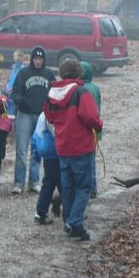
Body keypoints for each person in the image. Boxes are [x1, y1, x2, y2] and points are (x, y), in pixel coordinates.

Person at [44, 59, 103, 242]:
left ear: (62, 73)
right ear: (78, 74)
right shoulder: (81, 92)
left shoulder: (52, 93)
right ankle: (75, 222)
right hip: (80, 146)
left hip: (62, 147)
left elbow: (49, 116)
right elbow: (92, 118)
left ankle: (69, 222)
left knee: (68, 187)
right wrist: (99, 126)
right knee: (84, 187)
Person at [10, 46, 56, 194]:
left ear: (43, 60)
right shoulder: (23, 73)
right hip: (24, 114)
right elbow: (15, 92)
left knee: (37, 150)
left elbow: (55, 92)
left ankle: (34, 182)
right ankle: (19, 182)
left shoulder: (49, 74)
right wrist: (21, 101)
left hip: (42, 116)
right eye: (35, 59)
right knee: (21, 150)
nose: (37, 61)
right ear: (31, 59)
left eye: (40, 59)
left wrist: (51, 110)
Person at [31, 112, 62, 225]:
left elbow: (36, 135)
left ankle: (41, 213)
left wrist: (36, 153)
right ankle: (72, 215)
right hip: (57, 153)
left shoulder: (42, 115)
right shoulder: (57, 114)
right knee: (63, 184)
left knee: (48, 183)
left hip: (47, 153)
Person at [80, 61, 102, 199]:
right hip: (96, 128)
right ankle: (93, 187)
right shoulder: (95, 87)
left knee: (86, 161)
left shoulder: (83, 89)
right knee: (92, 159)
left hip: (87, 130)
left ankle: (90, 188)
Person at [5, 50, 26, 115]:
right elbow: (11, 79)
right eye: (15, 56)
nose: (16, 58)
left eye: (18, 56)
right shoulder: (14, 67)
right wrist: (7, 86)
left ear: (22, 57)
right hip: (9, 92)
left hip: (15, 92)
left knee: (13, 112)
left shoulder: (23, 68)